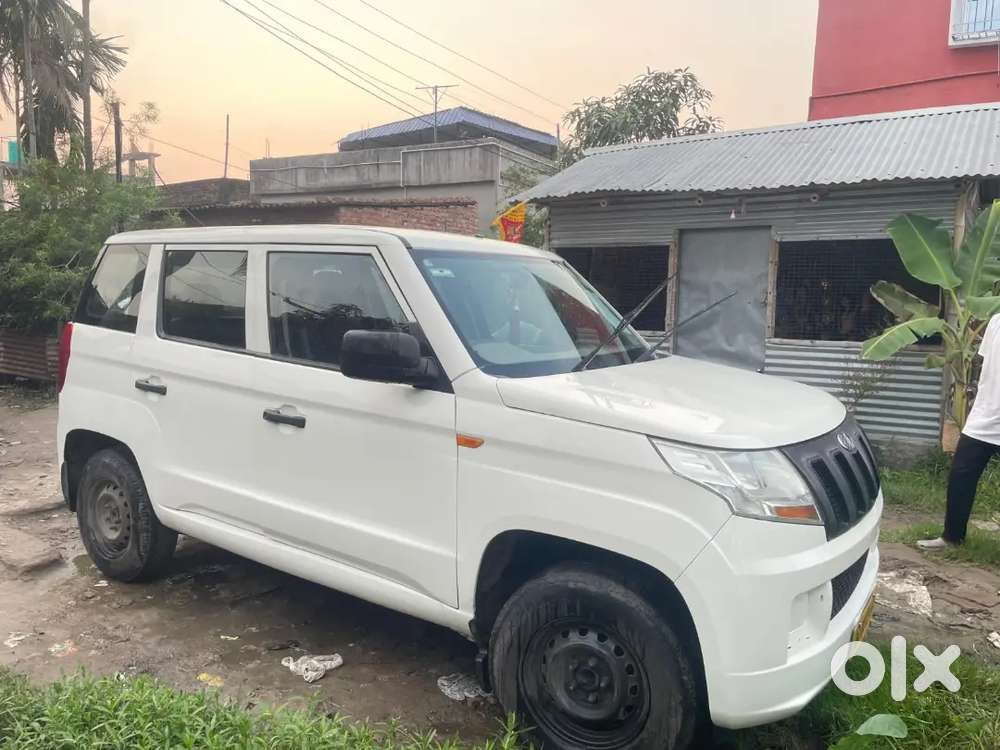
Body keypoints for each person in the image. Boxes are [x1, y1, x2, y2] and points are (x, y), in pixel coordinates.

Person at [919, 314, 1000, 549]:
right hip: (985, 417)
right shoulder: (995, 320)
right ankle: (952, 537)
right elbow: (986, 364)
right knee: (961, 476)